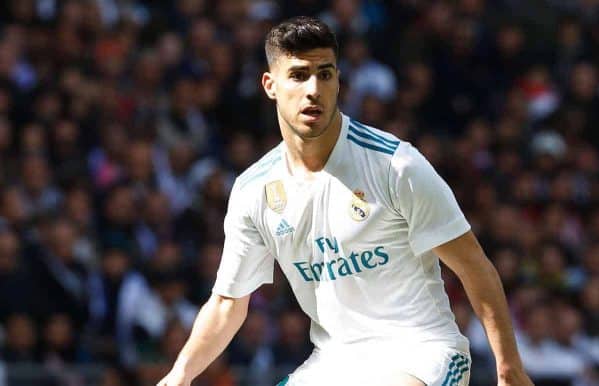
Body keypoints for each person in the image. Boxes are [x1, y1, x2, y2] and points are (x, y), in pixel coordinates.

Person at [158, 16, 534, 386]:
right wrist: (180, 375)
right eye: (299, 75)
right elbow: (227, 304)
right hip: (333, 363)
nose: (313, 89)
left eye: (325, 74)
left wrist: (508, 368)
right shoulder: (253, 190)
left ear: (338, 81)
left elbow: (474, 267)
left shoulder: (396, 165)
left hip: (422, 352)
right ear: (270, 85)